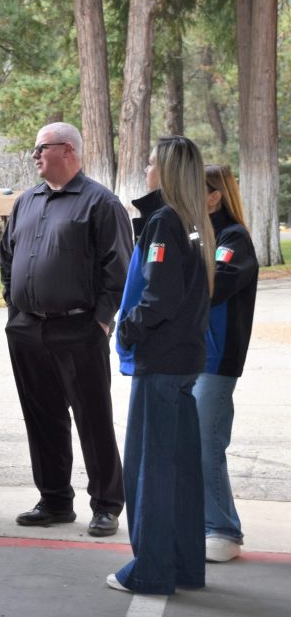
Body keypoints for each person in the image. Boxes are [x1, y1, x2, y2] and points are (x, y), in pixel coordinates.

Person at [0, 122, 131, 538]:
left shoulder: (101, 203)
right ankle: (55, 500)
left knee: (93, 418)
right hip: (26, 329)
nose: (35, 155)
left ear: (68, 151)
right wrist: (14, 305)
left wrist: (100, 321)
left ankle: (106, 505)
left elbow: (119, 269)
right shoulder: (26, 201)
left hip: (79, 329)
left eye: (41, 148)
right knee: (42, 417)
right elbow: (8, 257)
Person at [109, 136, 215, 594]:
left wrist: (129, 326)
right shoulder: (193, 222)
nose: (146, 169)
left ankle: (151, 571)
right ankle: (184, 565)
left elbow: (160, 294)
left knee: (149, 471)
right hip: (185, 361)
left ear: (166, 170)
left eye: (151, 162)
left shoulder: (165, 222)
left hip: (163, 362)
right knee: (181, 471)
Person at [194, 164, 258, 563]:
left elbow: (213, 285)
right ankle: (206, 524)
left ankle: (223, 530)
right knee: (194, 444)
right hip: (191, 355)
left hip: (216, 359)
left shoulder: (234, 238)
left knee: (207, 444)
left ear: (215, 195)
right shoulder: (196, 232)